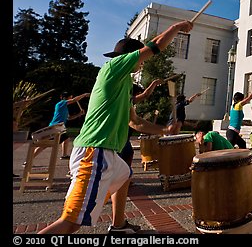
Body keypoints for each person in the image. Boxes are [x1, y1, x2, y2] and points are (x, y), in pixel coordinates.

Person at [39, 19, 193, 235]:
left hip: (105, 153)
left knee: (125, 175)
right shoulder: (113, 67)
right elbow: (155, 46)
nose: (142, 64)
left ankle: (118, 225)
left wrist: (164, 131)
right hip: (93, 153)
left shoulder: (124, 83)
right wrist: (177, 28)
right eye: (139, 59)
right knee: (71, 222)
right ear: (130, 57)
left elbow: (135, 122)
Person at [30, 92, 90, 161]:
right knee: (44, 145)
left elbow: (69, 118)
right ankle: (29, 160)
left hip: (59, 127)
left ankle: (64, 155)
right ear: (65, 98)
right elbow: (74, 100)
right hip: (54, 127)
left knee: (66, 138)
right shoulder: (61, 103)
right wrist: (84, 95)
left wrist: (79, 114)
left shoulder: (64, 108)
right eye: (70, 97)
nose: (71, 98)